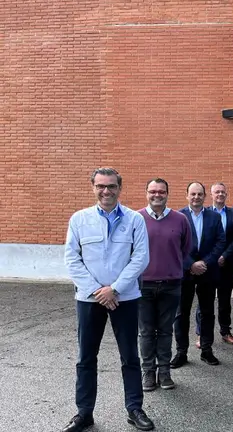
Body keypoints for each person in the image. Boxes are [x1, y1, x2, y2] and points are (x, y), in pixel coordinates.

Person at [62, 167, 155, 431]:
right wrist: (98, 291)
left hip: (124, 298)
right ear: (93, 187)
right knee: (86, 358)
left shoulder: (134, 220)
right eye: (101, 186)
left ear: (119, 188)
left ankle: (134, 408)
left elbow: (141, 258)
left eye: (111, 186)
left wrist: (114, 289)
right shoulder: (79, 219)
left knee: (130, 356)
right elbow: (72, 259)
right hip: (89, 299)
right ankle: (84, 413)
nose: (106, 191)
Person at [137, 178, 192, 392]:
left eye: (161, 191)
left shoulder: (180, 219)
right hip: (143, 286)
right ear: (146, 193)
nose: (157, 195)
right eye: (153, 191)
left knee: (166, 331)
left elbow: (185, 249)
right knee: (146, 332)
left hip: (171, 285)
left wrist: (172, 267)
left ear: (167, 194)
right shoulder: (136, 219)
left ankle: (165, 373)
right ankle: (148, 373)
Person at [172, 182, 226, 367]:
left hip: (207, 271)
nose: (196, 197)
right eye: (193, 194)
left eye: (200, 194)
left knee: (207, 312)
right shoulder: (178, 216)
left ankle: (206, 350)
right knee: (181, 313)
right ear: (187, 195)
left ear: (205, 196)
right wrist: (190, 264)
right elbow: (175, 245)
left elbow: (220, 242)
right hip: (184, 272)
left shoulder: (214, 217)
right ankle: (181, 352)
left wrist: (205, 262)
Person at [194, 182, 233, 347]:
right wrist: (212, 258)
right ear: (211, 195)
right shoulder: (204, 213)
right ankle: (201, 334)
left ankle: (225, 332)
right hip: (208, 265)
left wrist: (224, 256)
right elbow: (202, 239)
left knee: (225, 301)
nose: (220, 194)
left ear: (226, 194)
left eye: (223, 192)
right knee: (204, 302)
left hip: (227, 264)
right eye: (217, 192)